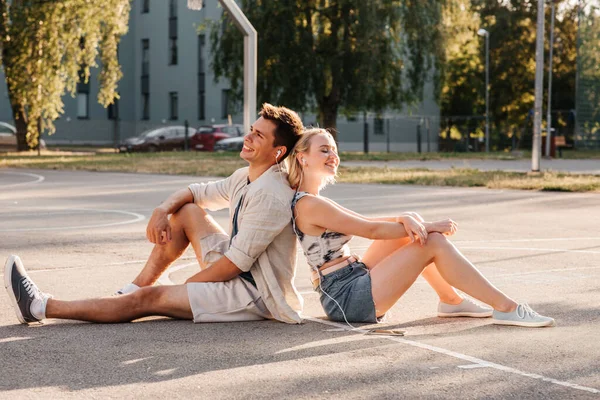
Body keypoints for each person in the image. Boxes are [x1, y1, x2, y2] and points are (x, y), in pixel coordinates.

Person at [4, 103, 305, 325]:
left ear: (278, 152)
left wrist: (184, 289)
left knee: (148, 301)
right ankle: (133, 287)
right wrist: (161, 210)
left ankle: (40, 306)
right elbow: (197, 192)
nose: (248, 138)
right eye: (251, 130)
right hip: (238, 270)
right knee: (186, 211)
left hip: (253, 293)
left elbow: (232, 266)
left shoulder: (271, 194)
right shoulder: (246, 175)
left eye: (258, 136)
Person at [286, 128, 555, 328]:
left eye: (333, 149)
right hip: (346, 299)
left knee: (411, 221)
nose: (333, 155)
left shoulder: (314, 201)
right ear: (302, 158)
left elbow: (370, 221)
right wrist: (428, 227)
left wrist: (407, 218)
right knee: (432, 241)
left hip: (350, 277)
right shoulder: (309, 205)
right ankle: (506, 307)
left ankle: (451, 301)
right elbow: (372, 231)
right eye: (324, 150)